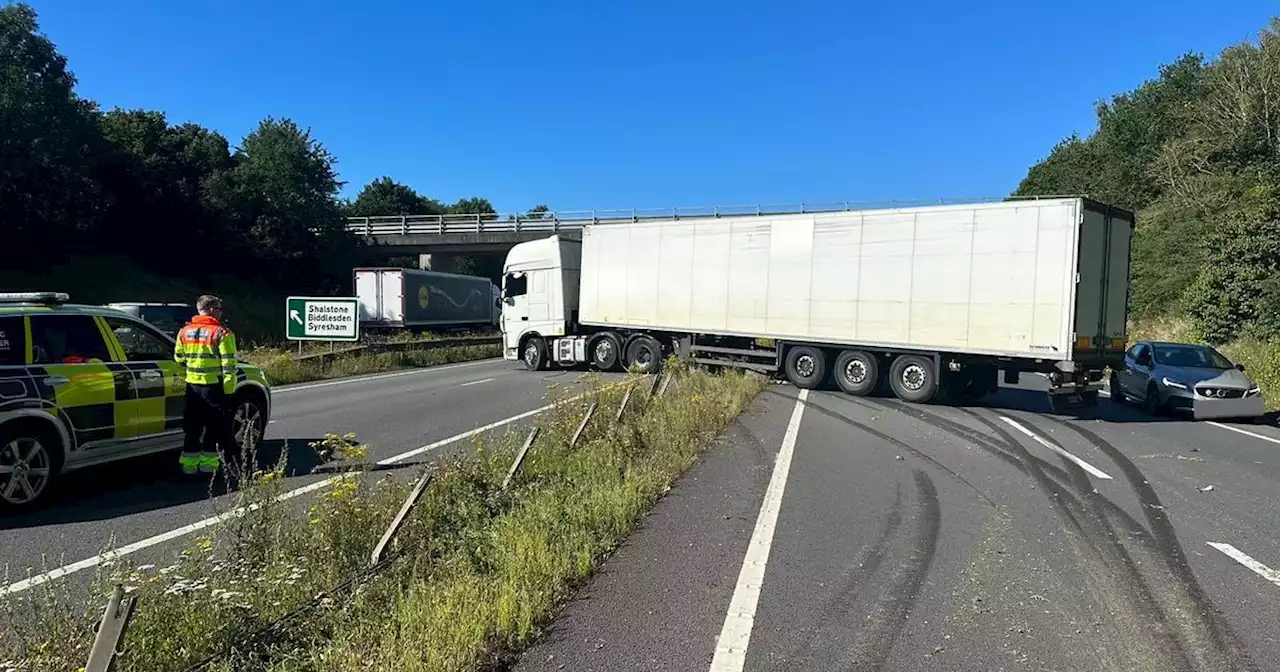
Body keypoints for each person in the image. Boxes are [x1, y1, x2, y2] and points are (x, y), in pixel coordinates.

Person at [173, 294, 238, 475]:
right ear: (210, 309)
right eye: (218, 309)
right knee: (213, 428)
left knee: (192, 429)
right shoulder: (222, 333)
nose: (220, 313)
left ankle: (189, 468)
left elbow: (179, 358)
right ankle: (209, 469)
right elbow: (229, 364)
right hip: (213, 388)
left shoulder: (184, 331)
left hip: (192, 387)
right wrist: (229, 390)